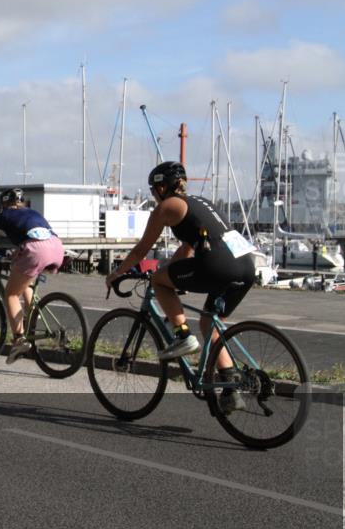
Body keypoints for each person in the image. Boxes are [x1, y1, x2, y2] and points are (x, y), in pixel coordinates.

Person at [105, 161, 255, 412]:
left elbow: (142, 249)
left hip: (218, 265)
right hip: (246, 267)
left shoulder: (167, 207)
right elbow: (187, 248)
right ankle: (230, 388)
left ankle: (183, 336)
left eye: (153, 190)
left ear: (162, 187)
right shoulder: (199, 203)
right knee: (209, 322)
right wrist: (169, 274)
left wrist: (117, 273)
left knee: (157, 282)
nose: (154, 196)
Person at [0, 189, 65, 364]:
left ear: (4, 204)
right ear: (22, 202)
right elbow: (34, 235)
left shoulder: (5, 216)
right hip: (56, 247)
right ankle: (32, 315)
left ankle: (19, 340)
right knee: (25, 279)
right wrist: (16, 253)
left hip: (36, 251)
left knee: (11, 294)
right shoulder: (32, 213)